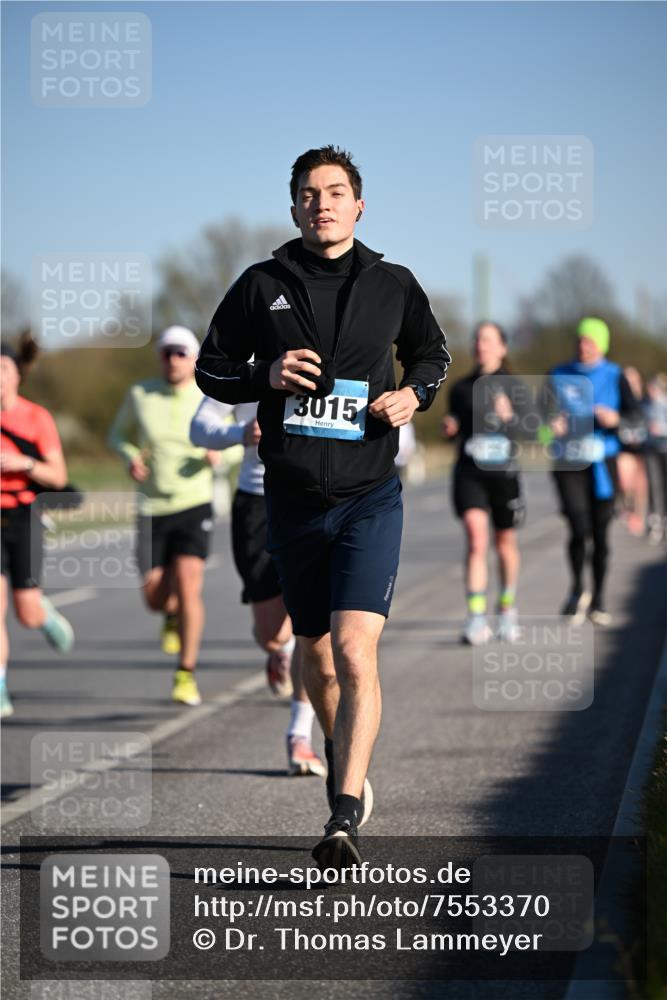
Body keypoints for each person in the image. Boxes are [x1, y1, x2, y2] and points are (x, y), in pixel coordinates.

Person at [195, 145, 450, 868]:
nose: (322, 204)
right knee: (314, 654)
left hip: (369, 495)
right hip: (291, 498)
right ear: (294, 208)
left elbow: (432, 354)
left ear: (358, 204)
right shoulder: (260, 284)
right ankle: (347, 768)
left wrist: (415, 393)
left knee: (353, 649)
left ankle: (342, 813)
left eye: (335, 192)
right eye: (308, 194)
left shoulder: (392, 283)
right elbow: (213, 368)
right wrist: (264, 373)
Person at [190, 394, 326, 777]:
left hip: (310, 500)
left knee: (309, 624)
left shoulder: (321, 353)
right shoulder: (244, 364)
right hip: (256, 503)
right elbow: (198, 428)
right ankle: (277, 649)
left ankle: (299, 734)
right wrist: (240, 433)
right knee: (272, 633)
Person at [108, 326, 219, 707]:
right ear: (160, 357)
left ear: (193, 359)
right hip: (151, 506)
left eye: (182, 353)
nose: (174, 360)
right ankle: (168, 615)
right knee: (155, 596)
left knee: (189, 587)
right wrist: (129, 457)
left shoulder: (210, 395)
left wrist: (219, 454)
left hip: (194, 501)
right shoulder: (140, 394)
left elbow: (236, 438)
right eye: (167, 353)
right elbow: (117, 435)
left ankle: (185, 673)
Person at [546, 317, 641, 626]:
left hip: (604, 463)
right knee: (577, 526)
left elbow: (636, 417)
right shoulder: (557, 375)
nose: (582, 345)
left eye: (589, 341)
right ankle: (577, 590)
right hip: (568, 463)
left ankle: (598, 598)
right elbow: (537, 420)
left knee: (600, 534)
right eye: (579, 339)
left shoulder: (616, 375)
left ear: (601, 344)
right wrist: (550, 427)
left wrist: (616, 419)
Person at [0, 334, 74, 718]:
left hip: (25, 515)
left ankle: (43, 614)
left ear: (17, 375)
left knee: (24, 612)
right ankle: (0, 688)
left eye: (4, 368)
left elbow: (58, 477)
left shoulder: (35, 418)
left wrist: (22, 465)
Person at [442, 321, 528, 645]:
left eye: (488, 340)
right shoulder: (461, 387)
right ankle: (476, 618)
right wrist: (449, 426)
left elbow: (533, 431)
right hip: (469, 472)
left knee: (505, 543)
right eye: (477, 339)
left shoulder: (515, 385)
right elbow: (455, 424)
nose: (481, 345)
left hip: (504, 474)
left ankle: (507, 610)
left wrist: (510, 418)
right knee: (476, 541)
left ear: (502, 348)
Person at [616, 366, 648, 536]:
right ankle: (625, 504)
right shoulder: (620, 401)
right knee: (624, 479)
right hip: (625, 447)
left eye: (633, 380)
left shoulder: (645, 401)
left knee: (640, 485)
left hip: (644, 448)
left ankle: (638, 513)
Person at [644, 373, 667, 544]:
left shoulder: (664, 403)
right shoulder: (645, 405)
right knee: (653, 485)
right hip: (650, 449)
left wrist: (661, 428)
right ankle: (655, 522)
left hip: (665, 448)